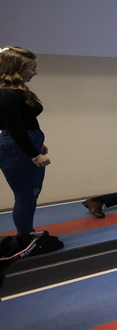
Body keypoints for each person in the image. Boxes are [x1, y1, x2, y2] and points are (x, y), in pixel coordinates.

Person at [0, 46, 55, 251]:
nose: (35, 72)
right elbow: (14, 127)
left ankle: (27, 234)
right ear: (16, 69)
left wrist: (37, 144)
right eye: (32, 68)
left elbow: (26, 121)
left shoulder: (18, 90)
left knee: (31, 193)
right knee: (24, 196)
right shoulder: (7, 93)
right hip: (17, 148)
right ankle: (24, 239)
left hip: (26, 143)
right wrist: (33, 154)